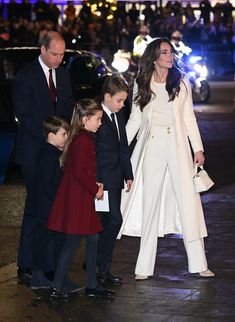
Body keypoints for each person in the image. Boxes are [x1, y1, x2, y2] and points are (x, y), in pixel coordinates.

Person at [118, 37, 215, 280]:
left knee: (187, 203)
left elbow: (189, 117)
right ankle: (143, 267)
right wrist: (120, 147)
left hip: (178, 146)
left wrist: (198, 148)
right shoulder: (142, 83)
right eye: (164, 52)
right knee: (150, 203)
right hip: (151, 147)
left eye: (171, 52)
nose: (170, 56)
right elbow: (135, 119)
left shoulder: (181, 82)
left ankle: (199, 263)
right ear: (154, 57)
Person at [12, 31, 74, 280]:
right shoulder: (25, 77)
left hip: (57, 152)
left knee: (53, 205)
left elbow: (68, 106)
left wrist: (64, 140)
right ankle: (28, 261)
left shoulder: (64, 74)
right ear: (43, 50)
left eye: (62, 54)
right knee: (37, 205)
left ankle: (47, 261)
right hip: (34, 151)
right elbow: (23, 117)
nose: (59, 59)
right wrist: (50, 139)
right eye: (55, 54)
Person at [47, 99, 113, 299]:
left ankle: (90, 285)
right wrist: (95, 189)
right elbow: (79, 173)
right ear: (85, 119)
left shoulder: (80, 138)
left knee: (91, 238)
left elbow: (81, 170)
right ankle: (58, 286)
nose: (100, 123)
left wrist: (95, 184)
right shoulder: (82, 140)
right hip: (79, 199)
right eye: (98, 119)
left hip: (79, 197)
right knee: (73, 241)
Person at [95, 75, 133, 285]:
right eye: (119, 100)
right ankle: (98, 266)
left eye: (124, 101)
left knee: (110, 222)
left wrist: (128, 174)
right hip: (102, 181)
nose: (122, 105)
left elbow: (123, 146)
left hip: (116, 178)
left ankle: (102, 267)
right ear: (107, 97)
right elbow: (93, 151)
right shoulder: (97, 116)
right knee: (112, 220)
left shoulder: (118, 114)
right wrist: (96, 180)